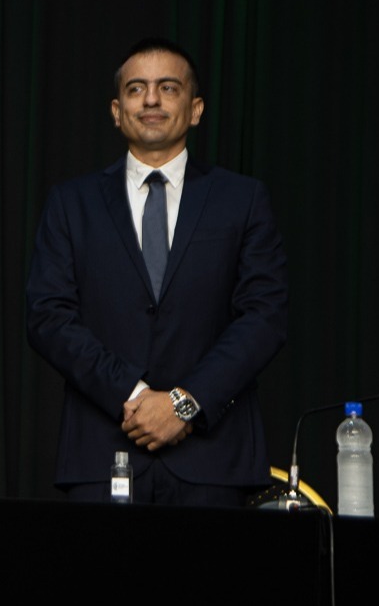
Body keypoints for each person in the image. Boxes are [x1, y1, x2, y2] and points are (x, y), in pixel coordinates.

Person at [26, 38, 288, 506]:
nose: (150, 99)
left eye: (168, 88)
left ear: (195, 109)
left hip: (214, 461)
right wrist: (133, 394)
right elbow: (48, 317)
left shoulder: (243, 199)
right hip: (102, 454)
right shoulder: (71, 203)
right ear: (116, 111)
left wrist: (184, 403)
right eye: (136, 89)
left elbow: (264, 317)